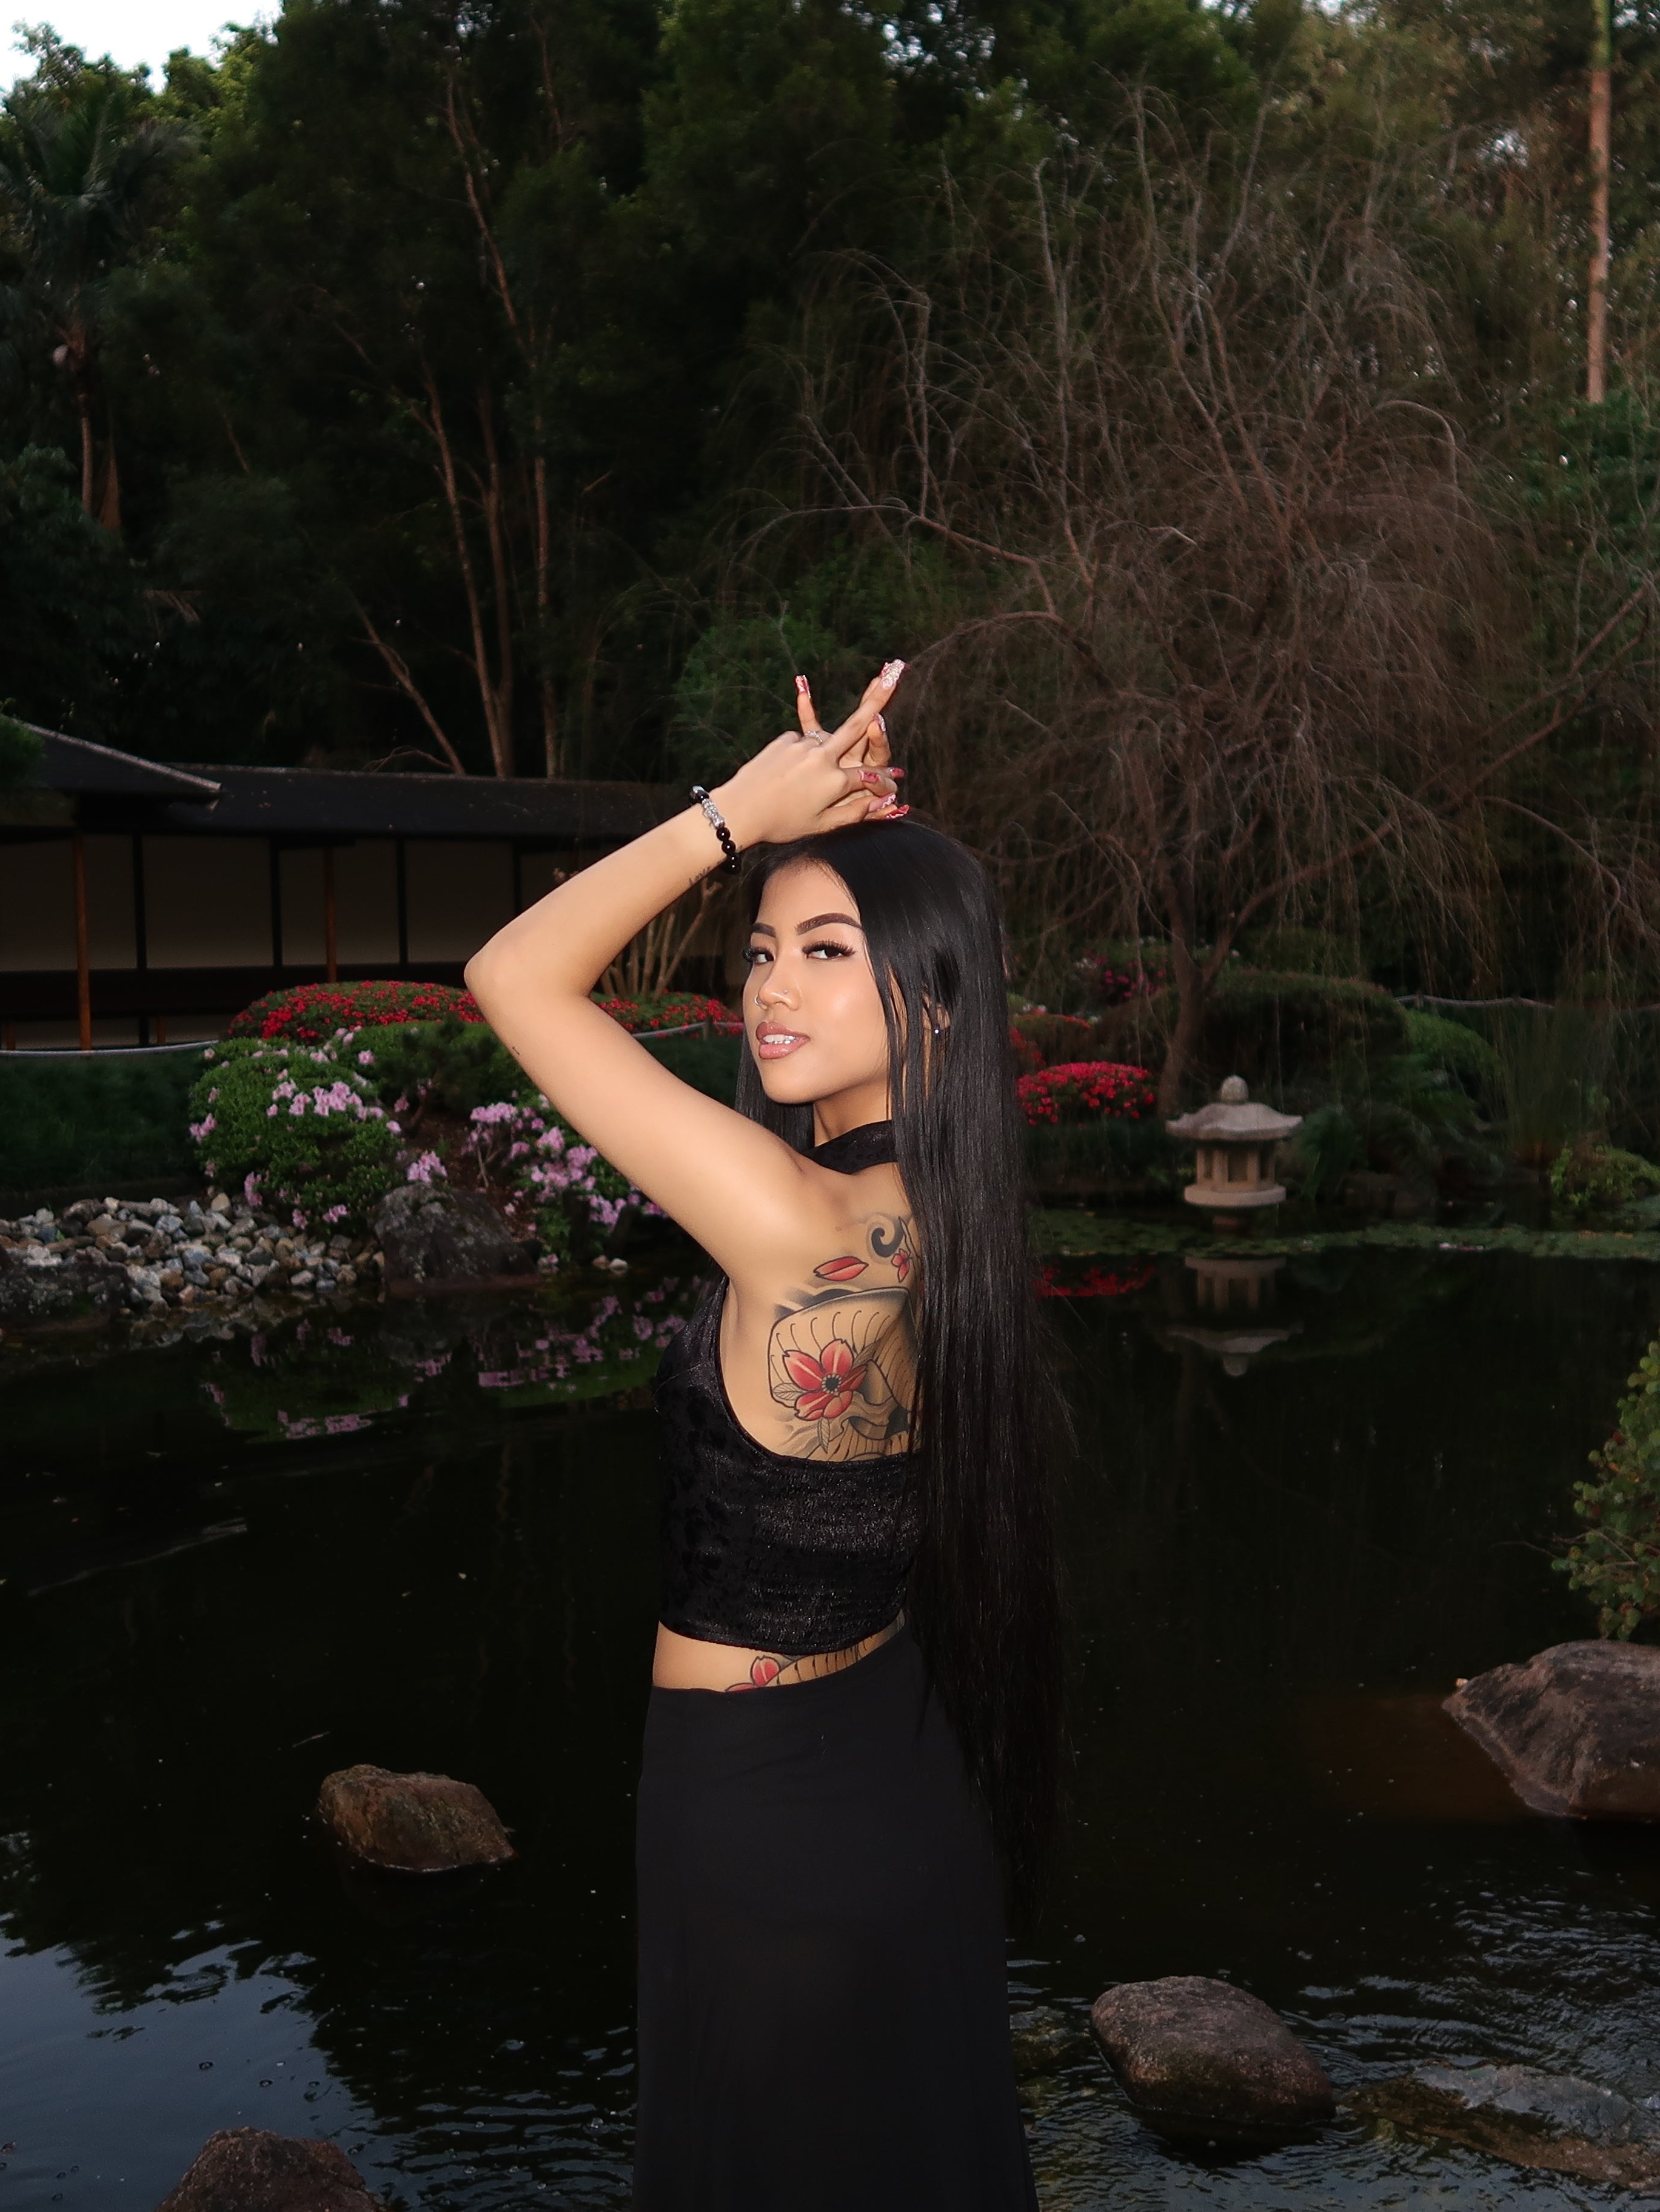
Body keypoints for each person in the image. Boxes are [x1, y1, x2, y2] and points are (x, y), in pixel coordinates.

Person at [463, 661, 1062, 2210]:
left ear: (934, 994)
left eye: (826, 950)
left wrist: (730, 816)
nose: (769, 988)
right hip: (897, 1759)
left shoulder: (804, 1225)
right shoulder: (947, 1217)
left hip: (761, 1809)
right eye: (762, 950)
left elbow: (514, 978)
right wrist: (833, 835)